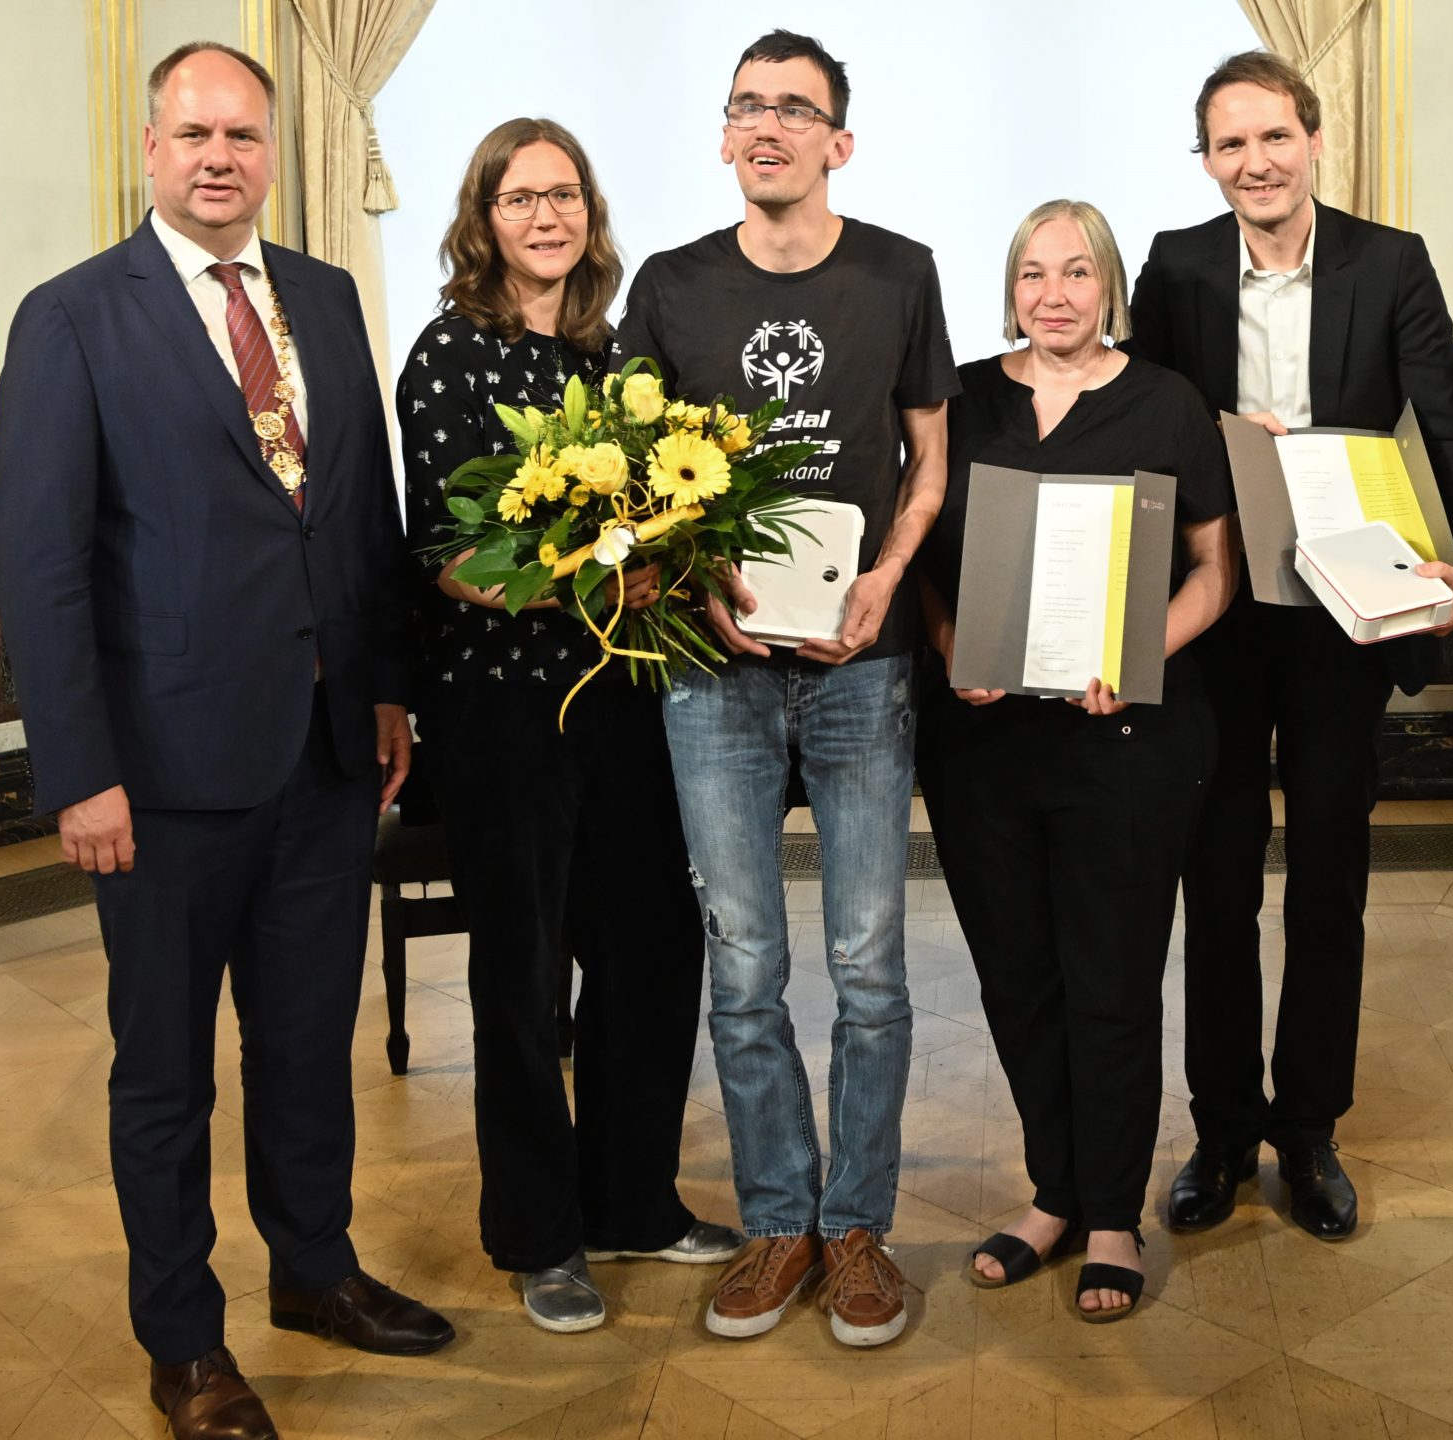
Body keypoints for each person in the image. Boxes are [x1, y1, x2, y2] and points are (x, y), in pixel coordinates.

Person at [0, 41, 450, 1440]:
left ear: (270, 151)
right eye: (193, 132)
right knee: (167, 1074)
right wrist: (78, 771)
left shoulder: (321, 296)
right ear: (149, 150)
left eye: (243, 136)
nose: (220, 157)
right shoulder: (73, 319)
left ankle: (315, 1272)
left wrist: (379, 689)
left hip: (322, 760)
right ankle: (185, 1340)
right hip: (164, 775)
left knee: (307, 1044)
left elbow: (356, 518)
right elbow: (46, 565)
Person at [613, 29, 959, 1348]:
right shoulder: (672, 285)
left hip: (862, 670)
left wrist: (888, 580)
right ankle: (777, 1222)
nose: (769, 127)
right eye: (747, 106)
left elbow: (931, 461)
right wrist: (690, 573)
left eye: (796, 109)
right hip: (716, 675)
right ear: (722, 135)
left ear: (839, 142)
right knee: (746, 963)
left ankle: (856, 1226)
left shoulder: (898, 273)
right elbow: (634, 474)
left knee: (870, 965)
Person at [1127, 50, 1453, 1241]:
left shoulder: (1387, 261)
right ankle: (1223, 1129)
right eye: (1229, 145)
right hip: (1221, 613)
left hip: (1348, 610)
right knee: (1219, 876)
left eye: (1272, 138)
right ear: (1206, 161)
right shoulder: (1177, 262)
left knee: (1330, 878)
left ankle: (1310, 1132)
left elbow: (1442, 418)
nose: (1255, 162)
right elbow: (1140, 414)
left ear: (1313, 140)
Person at [396, 117, 745, 1338]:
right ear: (481, 217)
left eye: (566, 196)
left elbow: (659, 517)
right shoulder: (448, 357)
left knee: (653, 946)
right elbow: (451, 560)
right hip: (499, 706)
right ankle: (537, 1232)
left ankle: (632, 1201)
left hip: (624, 696)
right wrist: (602, 578)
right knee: (523, 973)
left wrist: (677, 562)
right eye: (520, 197)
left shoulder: (615, 364)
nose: (547, 217)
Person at [919, 199, 1237, 1320]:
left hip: (1129, 738)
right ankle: (1051, 1191)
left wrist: (1137, 645)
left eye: (1076, 273)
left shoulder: (1166, 403)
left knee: (1109, 976)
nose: (1053, 294)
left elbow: (1214, 571)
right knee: (1016, 975)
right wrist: (955, 644)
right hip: (983, 739)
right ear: (1009, 288)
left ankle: (1110, 1213)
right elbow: (919, 558)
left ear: (1109, 286)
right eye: (1031, 275)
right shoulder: (957, 398)